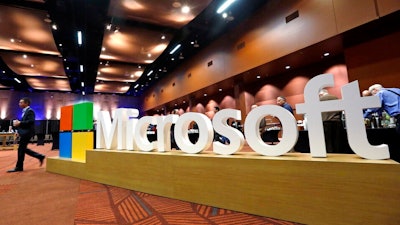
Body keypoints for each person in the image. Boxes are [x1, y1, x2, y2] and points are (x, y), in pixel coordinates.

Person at [7, 97, 45, 172]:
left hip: (27, 133)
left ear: (26, 103)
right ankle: (39, 156)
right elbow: (25, 123)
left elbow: (31, 121)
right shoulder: (25, 111)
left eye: (21, 102)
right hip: (25, 132)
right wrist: (19, 129)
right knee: (22, 149)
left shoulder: (30, 111)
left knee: (21, 149)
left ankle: (19, 167)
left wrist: (20, 123)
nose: (19, 104)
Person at [319, 89, 350, 153]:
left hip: (325, 122)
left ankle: (330, 154)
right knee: (337, 140)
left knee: (328, 141)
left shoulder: (320, 100)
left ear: (321, 94)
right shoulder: (335, 98)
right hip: (337, 121)